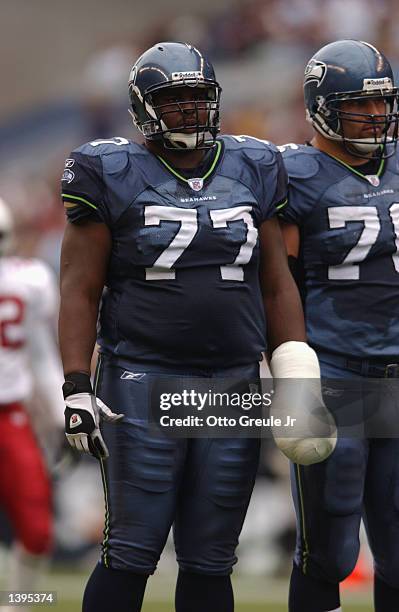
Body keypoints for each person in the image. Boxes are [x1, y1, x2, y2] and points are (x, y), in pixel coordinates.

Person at [59, 41, 333, 612]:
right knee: (132, 547)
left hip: (233, 380)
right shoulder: (108, 168)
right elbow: (79, 287)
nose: (189, 110)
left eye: (197, 98)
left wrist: (295, 369)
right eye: (174, 100)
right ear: (143, 107)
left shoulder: (254, 163)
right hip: (142, 376)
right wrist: (76, 384)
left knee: (212, 555)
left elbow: (276, 282)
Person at [279, 39, 399, 612]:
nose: (377, 116)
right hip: (336, 372)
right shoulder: (294, 173)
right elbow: (278, 282)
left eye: (383, 104)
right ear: (322, 105)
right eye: (361, 105)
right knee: (329, 544)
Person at [0, 198, 64, 612]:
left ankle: (19, 602)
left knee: (38, 530)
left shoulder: (29, 279)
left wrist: (63, 413)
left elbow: (41, 353)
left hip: (10, 414)